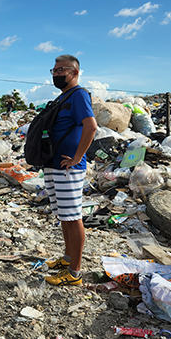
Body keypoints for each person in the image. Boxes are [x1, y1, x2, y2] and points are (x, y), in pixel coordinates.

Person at [43, 55, 97, 286]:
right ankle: (67, 258)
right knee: (64, 216)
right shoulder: (63, 96)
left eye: (61, 70)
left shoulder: (79, 95)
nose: (56, 74)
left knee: (73, 217)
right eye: (54, 70)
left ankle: (74, 272)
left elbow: (91, 126)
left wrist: (76, 157)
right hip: (54, 164)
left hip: (68, 168)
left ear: (75, 73)